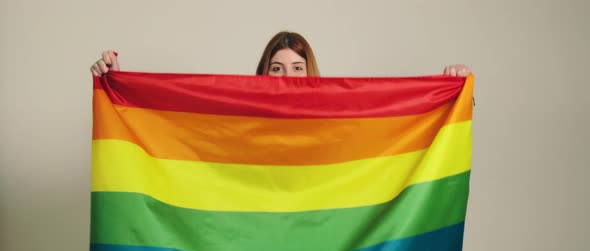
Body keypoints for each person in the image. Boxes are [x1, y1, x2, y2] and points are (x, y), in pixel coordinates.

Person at [90, 31, 470, 77]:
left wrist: (454, 94)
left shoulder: (335, 119)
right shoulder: (238, 120)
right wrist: (118, 83)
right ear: (263, 74)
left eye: (297, 67)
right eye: (277, 68)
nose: (287, 76)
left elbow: (399, 134)